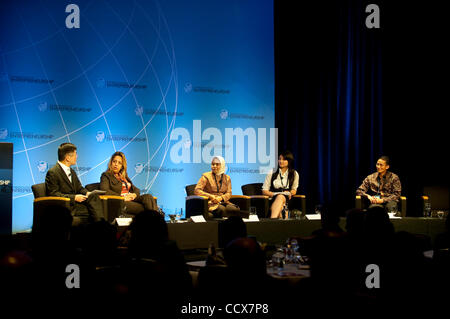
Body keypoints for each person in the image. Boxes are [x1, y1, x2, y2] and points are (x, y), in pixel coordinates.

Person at [45, 143, 105, 225]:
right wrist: (74, 198)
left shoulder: (72, 171)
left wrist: (87, 193)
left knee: (94, 198)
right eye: (75, 154)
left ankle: (101, 226)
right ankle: (101, 227)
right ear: (67, 158)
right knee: (94, 212)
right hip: (65, 208)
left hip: (75, 205)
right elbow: (53, 194)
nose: (77, 156)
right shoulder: (53, 172)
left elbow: (79, 188)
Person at [100, 151, 158, 216]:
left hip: (130, 199)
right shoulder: (106, 175)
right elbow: (104, 190)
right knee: (147, 207)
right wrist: (122, 197)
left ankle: (155, 219)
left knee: (148, 197)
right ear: (111, 163)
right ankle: (156, 220)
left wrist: (134, 194)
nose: (116, 164)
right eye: (114, 161)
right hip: (120, 201)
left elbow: (136, 189)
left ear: (122, 166)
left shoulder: (124, 176)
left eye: (119, 163)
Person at [262, 150, 299, 218]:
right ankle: (280, 222)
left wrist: (289, 193)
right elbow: (264, 190)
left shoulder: (294, 173)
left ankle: (272, 221)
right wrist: (273, 194)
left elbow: (294, 190)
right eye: (279, 159)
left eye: (284, 159)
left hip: (288, 198)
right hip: (273, 198)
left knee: (281, 197)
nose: (281, 161)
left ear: (289, 161)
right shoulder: (272, 172)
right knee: (281, 204)